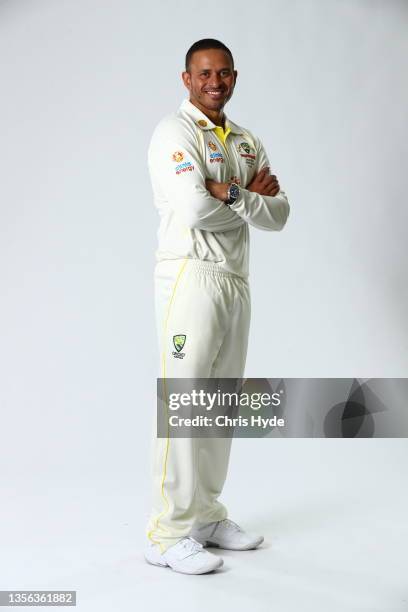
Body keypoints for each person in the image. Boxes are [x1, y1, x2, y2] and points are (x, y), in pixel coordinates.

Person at [144, 39, 290, 575]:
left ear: (234, 77)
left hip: (236, 279)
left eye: (224, 73)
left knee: (220, 402)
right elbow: (194, 208)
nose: (215, 82)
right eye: (204, 73)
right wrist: (244, 199)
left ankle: (205, 515)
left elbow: (279, 215)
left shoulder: (246, 141)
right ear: (186, 78)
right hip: (191, 276)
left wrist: (232, 193)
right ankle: (165, 533)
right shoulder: (174, 132)